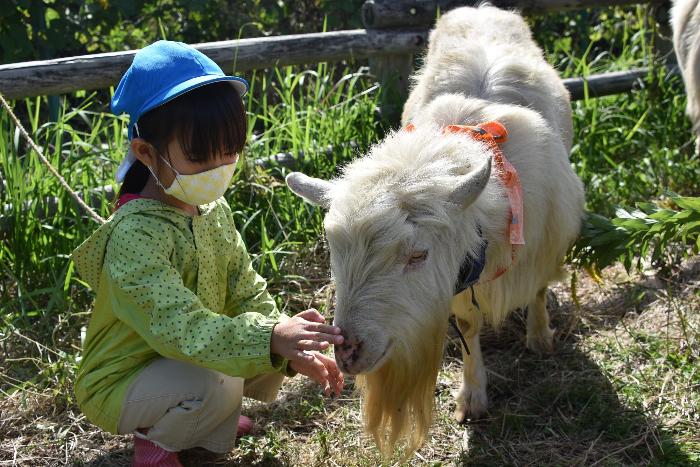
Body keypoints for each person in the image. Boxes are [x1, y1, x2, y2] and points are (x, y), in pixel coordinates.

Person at [72, 40, 344, 467]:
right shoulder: (135, 236)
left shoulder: (212, 210)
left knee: (256, 349)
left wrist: (287, 340)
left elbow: (244, 287)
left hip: (179, 362)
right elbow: (179, 327)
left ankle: (202, 414)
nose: (220, 166)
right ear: (145, 152)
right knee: (219, 380)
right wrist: (270, 337)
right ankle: (158, 442)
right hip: (120, 381)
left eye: (230, 150)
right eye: (201, 156)